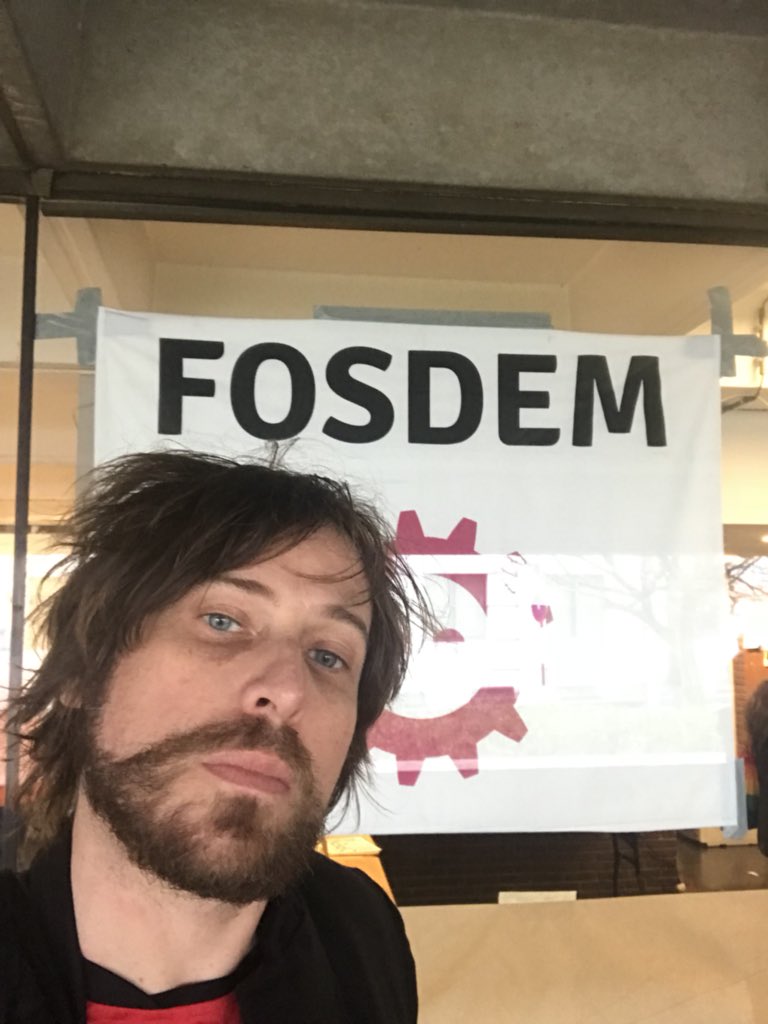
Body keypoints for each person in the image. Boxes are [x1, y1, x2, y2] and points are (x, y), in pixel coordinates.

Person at [0, 449, 429, 1023]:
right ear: (83, 668)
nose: (287, 690)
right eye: (222, 621)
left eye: (328, 655)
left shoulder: (357, 937)